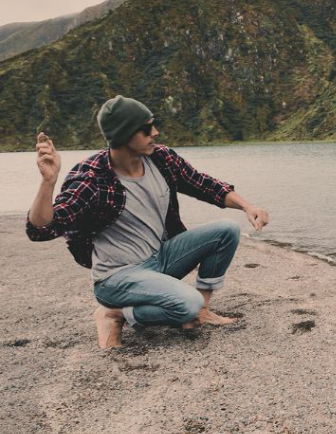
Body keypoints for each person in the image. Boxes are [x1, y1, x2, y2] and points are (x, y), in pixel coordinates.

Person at [27, 95, 270, 350]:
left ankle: (203, 310)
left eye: (153, 125)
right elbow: (41, 228)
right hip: (118, 277)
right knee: (187, 304)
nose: (155, 132)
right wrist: (48, 182)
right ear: (122, 135)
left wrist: (247, 206)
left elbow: (204, 185)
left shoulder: (161, 158)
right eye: (145, 129)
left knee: (227, 230)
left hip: (160, 258)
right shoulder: (91, 178)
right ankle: (114, 313)